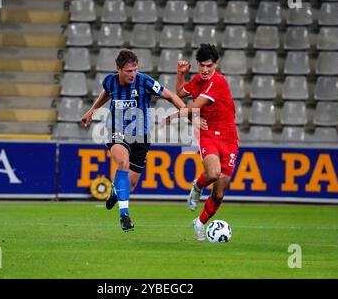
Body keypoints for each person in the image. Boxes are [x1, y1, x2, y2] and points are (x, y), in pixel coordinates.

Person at [81, 49, 187, 232]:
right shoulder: (110, 81)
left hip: (141, 136)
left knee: (130, 184)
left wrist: (186, 110)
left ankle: (115, 189)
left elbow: (169, 95)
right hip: (117, 130)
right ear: (119, 69)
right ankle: (125, 215)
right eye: (128, 71)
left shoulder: (144, 81)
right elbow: (106, 93)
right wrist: (92, 110)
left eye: (135, 70)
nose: (132, 74)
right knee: (122, 162)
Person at [166, 44, 239, 241]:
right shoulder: (198, 80)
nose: (205, 70)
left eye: (209, 66)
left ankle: (199, 223)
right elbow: (180, 92)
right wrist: (180, 73)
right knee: (213, 173)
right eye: (202, 66)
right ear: (197, 65)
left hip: (229, 138)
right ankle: (197, 186)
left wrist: (176, 114)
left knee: (219, 193)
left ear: (215, 65)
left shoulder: (218, 81)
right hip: (207, 133)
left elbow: (194, 106)